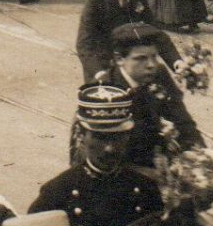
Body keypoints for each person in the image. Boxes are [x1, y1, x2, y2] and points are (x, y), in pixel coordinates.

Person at [31, 84, 164, 226]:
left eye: (117, 137)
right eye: (100, 137)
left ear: (128, 136)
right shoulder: (57, 192)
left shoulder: (146, 190)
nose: (109, 148)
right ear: (81, 135)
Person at [86, 23, 203, 168]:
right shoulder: (105, 89)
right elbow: (103, 154)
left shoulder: (158, 74)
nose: (151, 64)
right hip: (120, 169)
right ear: (119, 59)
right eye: (141, 58)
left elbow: (183, 122)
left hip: (159, 162)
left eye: (154, 56)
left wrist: (201, 159)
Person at [75, 0, 177, 81]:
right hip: (104, 69)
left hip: (134, 68)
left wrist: (177, 63)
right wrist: (100, 73)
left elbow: (154, 33)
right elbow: (85, 44)